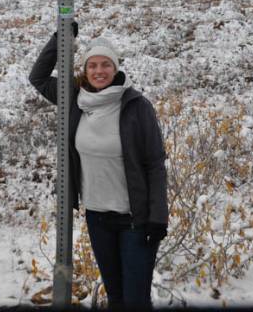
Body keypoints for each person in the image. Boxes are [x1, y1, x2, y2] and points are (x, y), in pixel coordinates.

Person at [29, 28, 168, 310]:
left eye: (105, 64)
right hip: (97, 218)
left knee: (135, 301)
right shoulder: (75, 98)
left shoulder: (136, 106)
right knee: (115, 298)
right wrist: (61, 39)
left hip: (135, 220)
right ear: (85, 70)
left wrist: (158, 216)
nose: (99, 70)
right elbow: (38, 78)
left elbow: (154, 164)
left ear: (115, 68)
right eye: (92, 65)